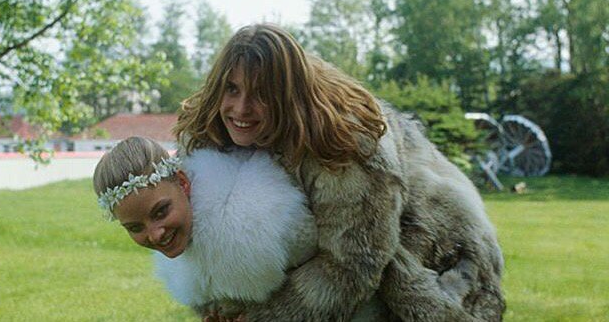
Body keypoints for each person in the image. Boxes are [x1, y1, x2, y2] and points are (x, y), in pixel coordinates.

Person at [174, 23, 505, 322]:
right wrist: (223, 308)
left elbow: (352, 264)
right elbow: (201, 237)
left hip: (438, 256)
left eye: (261, 94)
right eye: (232, 89)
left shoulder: (347, 144)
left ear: (287, 96)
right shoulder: (208, 135)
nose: (242, 108)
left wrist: (265, 317)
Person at [92, 136, 387, 322]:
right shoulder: (187, 236)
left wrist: (267, 314)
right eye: (134, 227)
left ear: (183, 182)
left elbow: (333, 265)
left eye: (161, 211)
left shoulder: (253, 223)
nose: (155, 234)